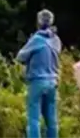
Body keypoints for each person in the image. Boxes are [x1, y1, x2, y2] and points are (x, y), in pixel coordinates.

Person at [17, 9, 63, 138]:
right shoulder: (56, 40)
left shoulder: (36, 39)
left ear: (38, 21)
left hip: (37, 81)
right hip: (53, 81)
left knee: (34, 119)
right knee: (52, 119)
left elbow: (20, 56)